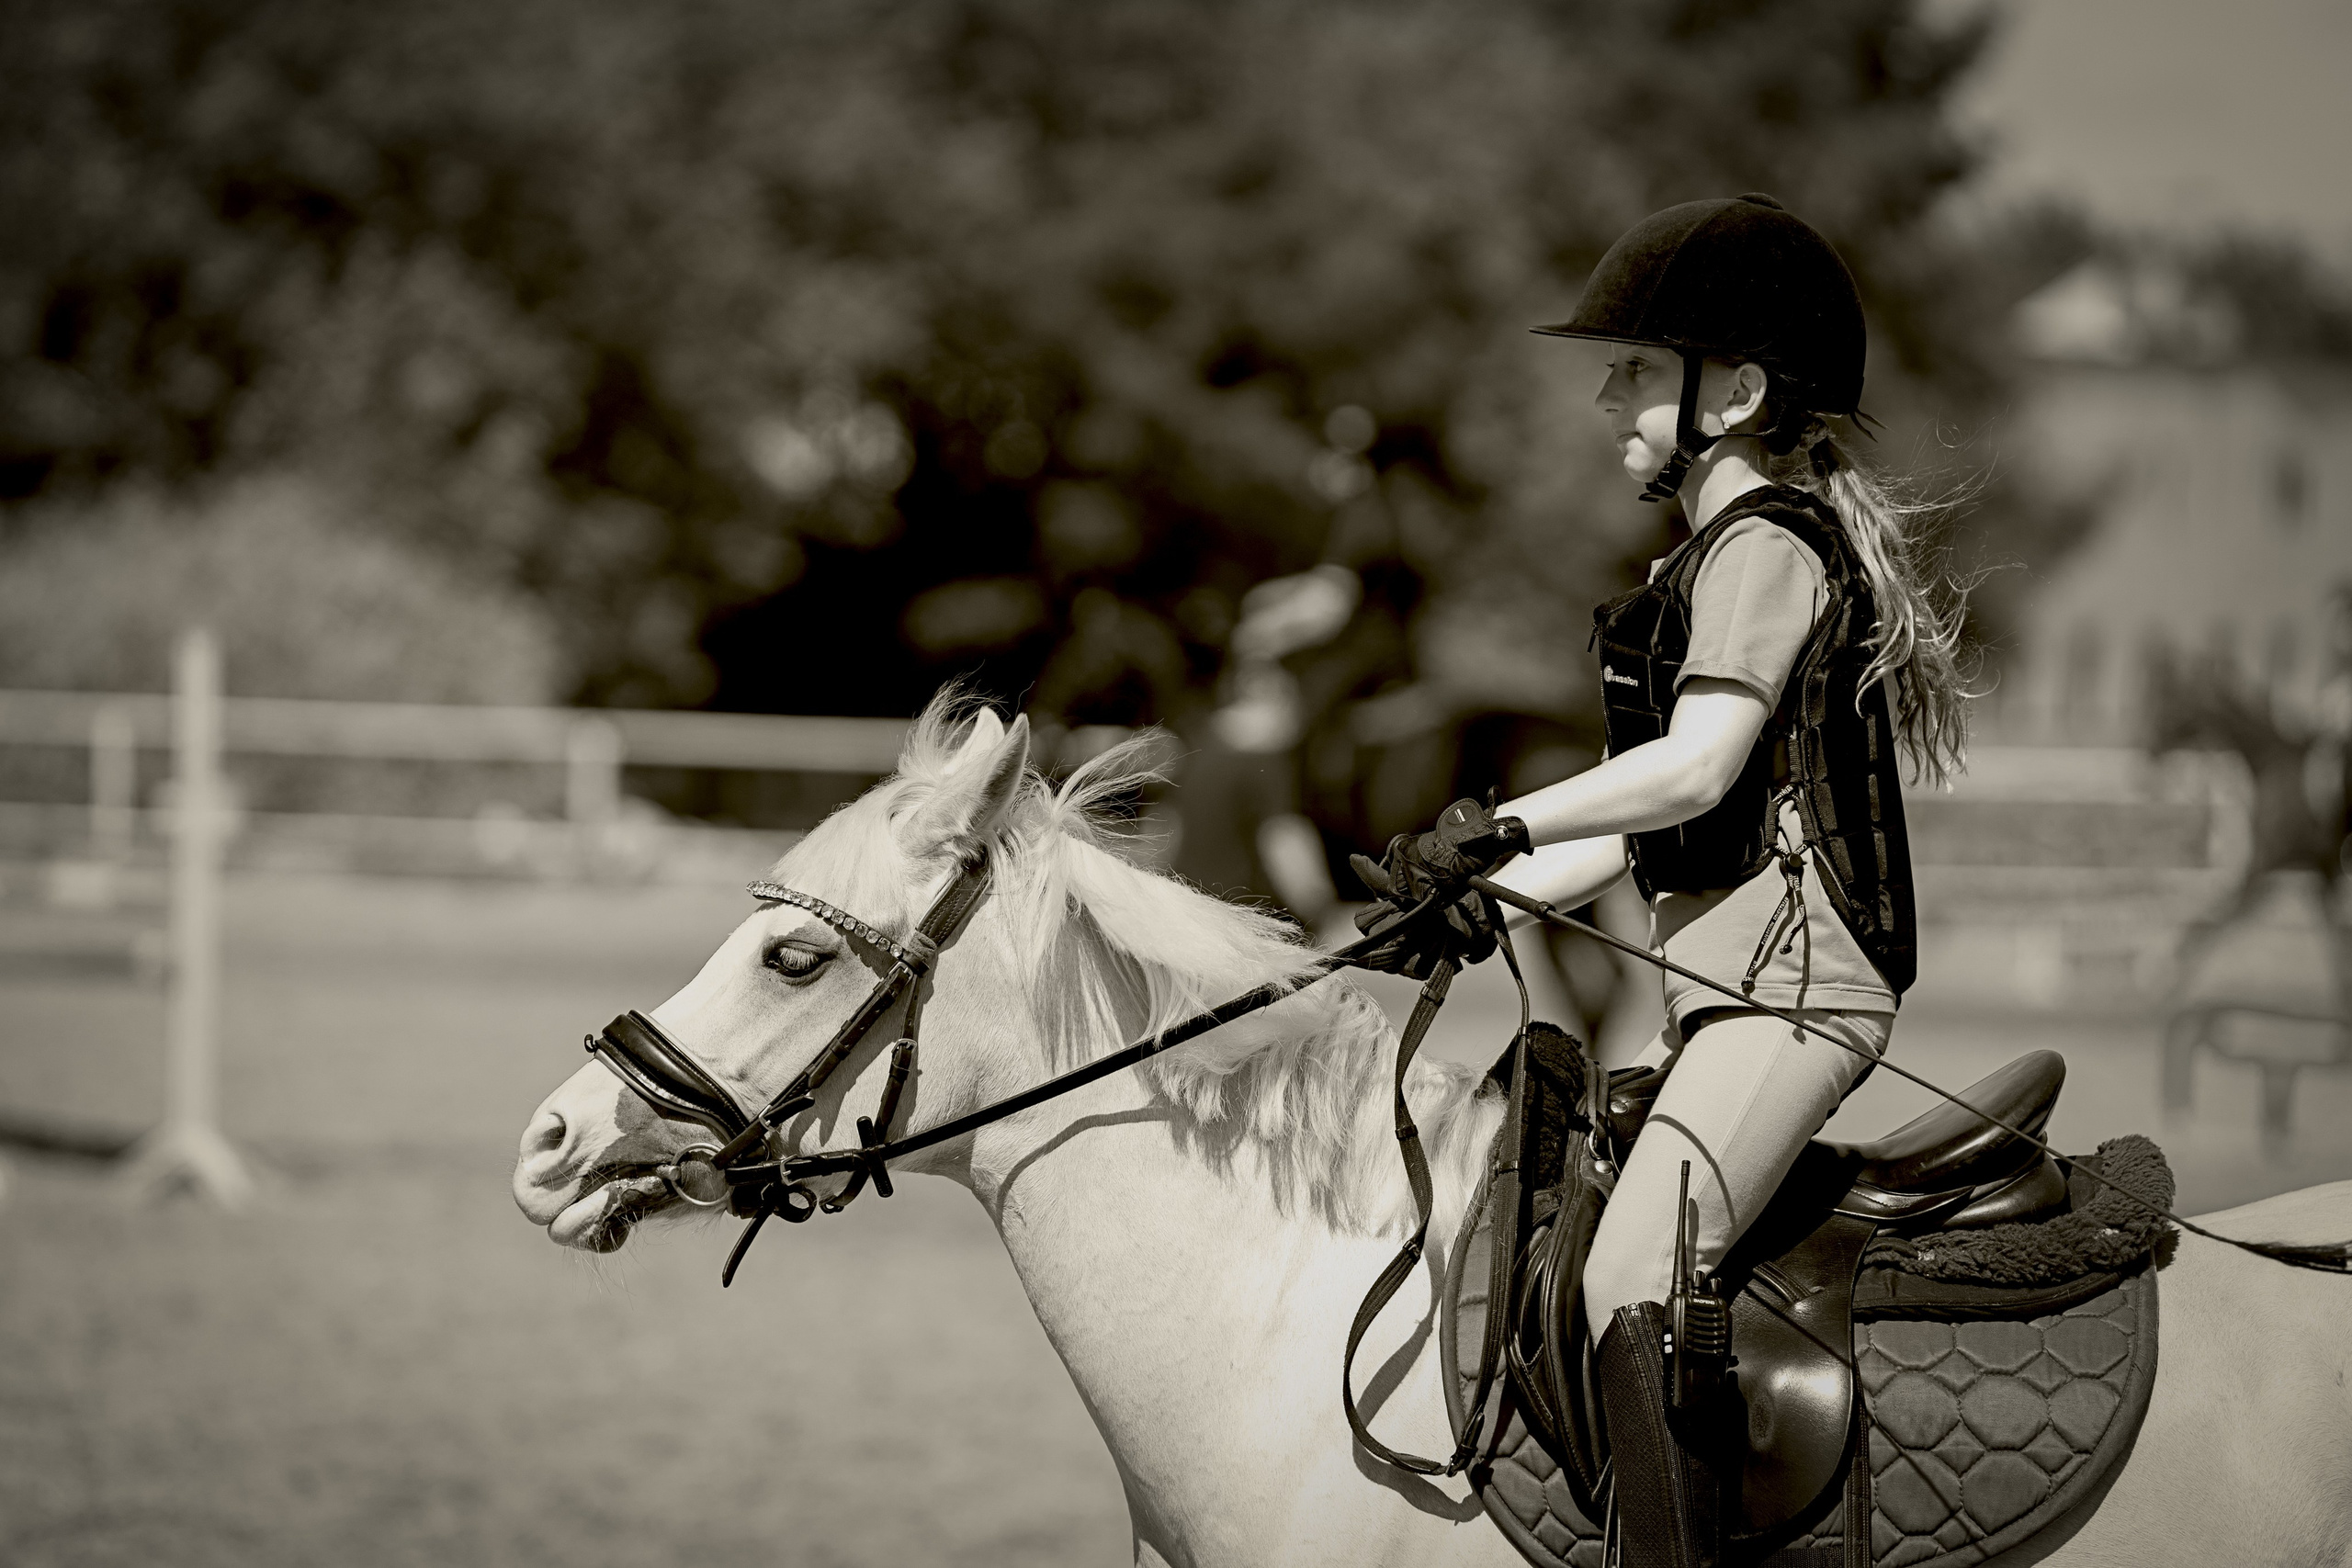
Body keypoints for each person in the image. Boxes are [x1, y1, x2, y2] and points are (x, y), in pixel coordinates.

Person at [1352, 195, 1973, 1566]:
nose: (1605, 396)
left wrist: (1499, 829)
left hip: (1797, 997)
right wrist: (1475, 895)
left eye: (1635, 367)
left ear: (1733, 395)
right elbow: (1642, 831)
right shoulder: (1704, 557)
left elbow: (1694, 768)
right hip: (1730, 1000)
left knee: (1628, 1276)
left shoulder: (1762, 547)